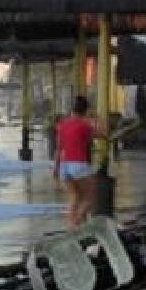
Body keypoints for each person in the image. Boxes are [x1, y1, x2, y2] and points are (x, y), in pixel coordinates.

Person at [53, 95, 96, 226]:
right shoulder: (85, 126)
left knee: (74, 197)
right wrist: (95, 122)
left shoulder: (62, 125)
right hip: (78, 164)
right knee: (89, 198)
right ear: (86, 110)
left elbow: (59, 148)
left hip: (64, 166)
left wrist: (55, 168)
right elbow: (95, 138)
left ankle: (73, 226)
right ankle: (75, 224)